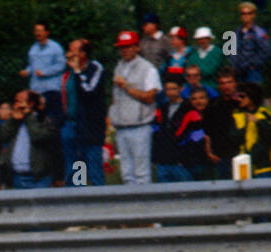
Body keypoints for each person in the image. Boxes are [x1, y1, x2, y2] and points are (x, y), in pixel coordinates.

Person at [109, 30, 161, 185]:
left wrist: (126, 87)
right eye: (121, 47)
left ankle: (146, 208)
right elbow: (115, 98)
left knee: (141, 174)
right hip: (121, 126)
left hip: (140, 126)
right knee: (126, 174)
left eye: (128, 46)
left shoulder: (148, 68)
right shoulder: (119, 67)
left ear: (137, 47)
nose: (124, 50)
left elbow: (151, 97)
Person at [63, 37, 108, 186]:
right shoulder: (67, 72)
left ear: (83, 54)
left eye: (72, 51)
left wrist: (77, 71)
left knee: (94, 168)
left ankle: (100, 202)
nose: (68, 55)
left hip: (91, 128)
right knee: (77, 168)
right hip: (73, 126)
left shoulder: (94, 68)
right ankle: (77, 197)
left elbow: (88, 91)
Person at [152, 69, 206, 181]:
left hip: (183, 163)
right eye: (167, 89)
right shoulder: (161, 109)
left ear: (181, 89)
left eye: (173, 89)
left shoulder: (190, 110)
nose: (170, 92)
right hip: (163, 161)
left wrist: (186, 159)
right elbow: (155, 132)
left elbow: (197, 137)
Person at [0, 91, 56, 188]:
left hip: (39, 178)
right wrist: (13, 121)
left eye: (20, 101)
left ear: (31, 103)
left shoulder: (44, 120)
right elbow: (3, 137)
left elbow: (37, 136)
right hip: (17, 177)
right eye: (15, 102)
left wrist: (28, 116)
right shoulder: (14, 121)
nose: (16, 105)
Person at [22, 21, 66, 122]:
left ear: (47, 32)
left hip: (51, 90)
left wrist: (45, 72)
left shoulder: (55, 47)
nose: (37, 33)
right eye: (36, 31)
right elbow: (32, 65)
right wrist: (27, 71)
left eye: (40, 31)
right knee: (38, 119)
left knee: (52, 119)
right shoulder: (33, 48)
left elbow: (61, 65)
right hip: (36, 90)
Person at [203, 67, 243, 178]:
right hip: (219, 157)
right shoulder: (213, 105)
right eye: (222, 83)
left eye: (229, 82)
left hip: (240, 155)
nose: (226, 86)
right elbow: (206, 132)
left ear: (235, 83)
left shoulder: (242, 104)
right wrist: (209, 152)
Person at [232, 82, 271, 177]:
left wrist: (258, 122)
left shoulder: (264, 114)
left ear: (252, 97)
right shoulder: (236, 116)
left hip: (263, 166)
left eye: (242, 96)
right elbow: (233, 138)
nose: (239, 99)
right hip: (242, 164)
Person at [230, 3, 271, 84]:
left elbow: (266, 51)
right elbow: (231, 51)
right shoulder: (236, 32)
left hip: (253, 72)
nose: (246, 16)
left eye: (249, 13)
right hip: (237, 72)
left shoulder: (259, 32)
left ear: (254, 15)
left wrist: (253, 64)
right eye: (243, 13)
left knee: (253, 93)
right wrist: (233, 66)